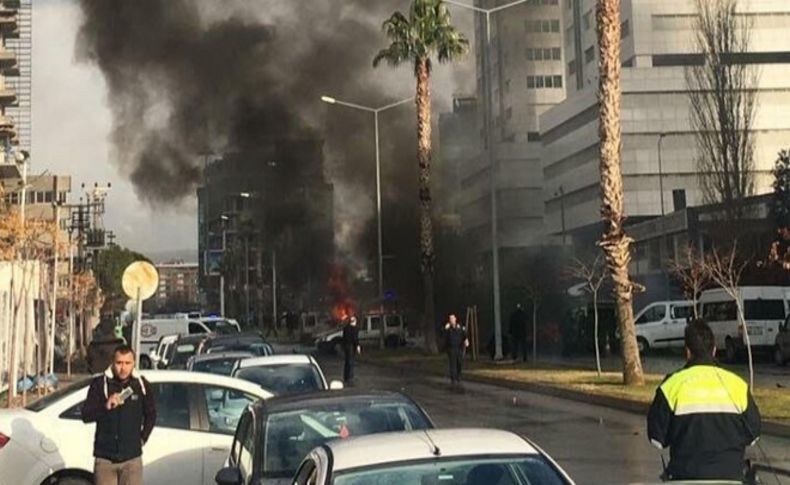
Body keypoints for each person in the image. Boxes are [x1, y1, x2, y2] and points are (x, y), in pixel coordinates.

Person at [647, 319, 761, 482]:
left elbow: (656, 439)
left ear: (687, 351)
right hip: (731, 478)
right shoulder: (738, 386)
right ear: (714, 350)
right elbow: (754, 436)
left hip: (684, 477)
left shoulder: (671, 386)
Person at [82, 345, 157, 485]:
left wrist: (143, 438)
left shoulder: (141, 384)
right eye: (119, 363)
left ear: (134, 363)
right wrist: (105, 406)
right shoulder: (100, 384)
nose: (123, 368)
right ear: (112, 362)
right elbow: (86, 415)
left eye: (127, 363)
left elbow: (151, 414)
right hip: (105, 459)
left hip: (131, 460)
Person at [443, 314, 469, 388]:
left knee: (459, 362)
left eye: (452, 319)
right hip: (451, 348)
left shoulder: (459, 327)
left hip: (459, 348)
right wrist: (445, 329)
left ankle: (458, 376)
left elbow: (464, 334)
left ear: (455, 319)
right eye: (450, 319)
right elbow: (443, 336)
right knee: (452, 364)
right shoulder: (448, 329)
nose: (451, 320)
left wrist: (466, 340)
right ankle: (453, 379)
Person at [342, 315, 361, 384]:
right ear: (354, 321)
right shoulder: (354, 329)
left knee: (347, 362)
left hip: (346, 346)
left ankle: (346, 377)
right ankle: (350, 377)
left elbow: (343, 338)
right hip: (351, 346)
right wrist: (358, 346)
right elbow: (355, 338)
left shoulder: (346, 328)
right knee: (351, 362)